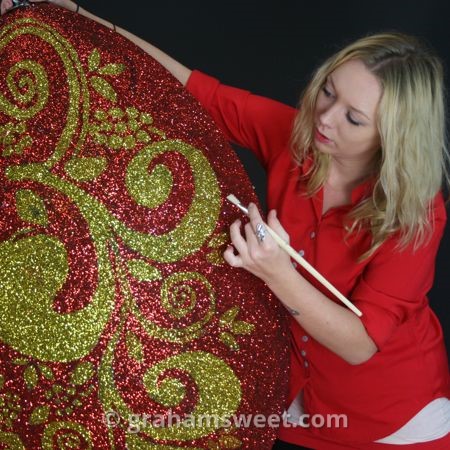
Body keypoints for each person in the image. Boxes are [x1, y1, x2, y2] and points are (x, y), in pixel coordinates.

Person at [2, 1, 449, 448]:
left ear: (394, 136)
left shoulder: (418, 212)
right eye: (328, 92)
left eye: (353, 118)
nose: (325, 117)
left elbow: (360, 345)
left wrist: (277, 273)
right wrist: (75, 14)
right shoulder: (296, 136)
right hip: (296, 410)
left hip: (396, 421)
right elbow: (193, 88)